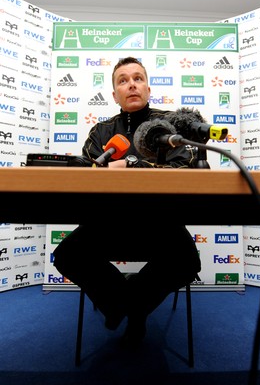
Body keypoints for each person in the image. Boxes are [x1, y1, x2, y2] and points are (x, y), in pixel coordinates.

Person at [53, 56, 201, 348]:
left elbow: (184, 170)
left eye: (137, 78)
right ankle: (132, 306)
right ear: (114, 94)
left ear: (148, 88)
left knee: (186, 261)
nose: (131, 84)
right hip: (106, 223)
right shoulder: (101, 132)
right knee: (68, 255)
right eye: (123, 80)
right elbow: (89, 179)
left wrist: (132, 168)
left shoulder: (171, 125)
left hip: (161, 224)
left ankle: (128, 308)